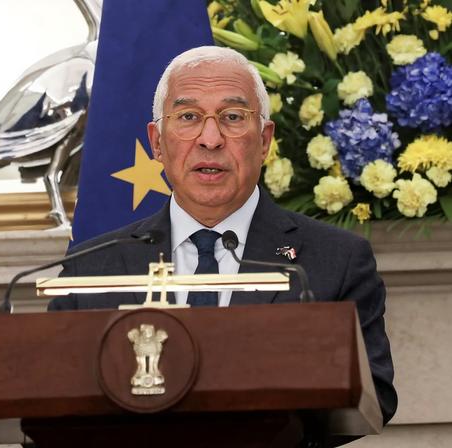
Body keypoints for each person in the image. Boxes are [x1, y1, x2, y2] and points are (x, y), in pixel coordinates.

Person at [48, 46, 397, 436]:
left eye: (232, 117)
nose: (210, 139)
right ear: (158, 143)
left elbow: (376, 395)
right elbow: (49, 400)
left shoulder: (336, 258)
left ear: (264, 141)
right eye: (188, 117)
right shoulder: (93, 265)